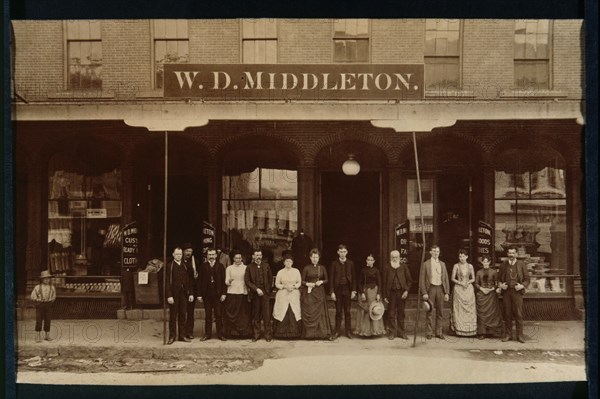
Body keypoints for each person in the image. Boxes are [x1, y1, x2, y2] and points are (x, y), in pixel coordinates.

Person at [498, 246, 530, 343]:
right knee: (507, 313)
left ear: (516, 254)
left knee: (518, 314)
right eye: (510, 253)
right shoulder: (503, 265)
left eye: (513, 253)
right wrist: (501, 285)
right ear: (507, 254)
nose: (511, 255)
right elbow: (498, 279)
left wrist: (522, 286)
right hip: (507, 292)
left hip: (517, 292)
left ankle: (520, 336)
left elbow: (527, 279)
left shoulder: (521, 264)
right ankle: (508, 335)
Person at [301, 248, 334, 340]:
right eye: (313, 257)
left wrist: (322, 282)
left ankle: (322, 333)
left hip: (319, 292)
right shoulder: (306, 268)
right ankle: (310, 334)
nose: (315, 259)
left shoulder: (322, 268)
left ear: (319, 258)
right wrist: (307, 283)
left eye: (316, 257)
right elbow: (302, 281)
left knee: (321, 312)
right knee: (311, 311)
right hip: (310, 293)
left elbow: (327, 280)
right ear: (310, 258)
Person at [419, 244, 450, 340]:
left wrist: (447, 292)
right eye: (434, 251)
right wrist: (424, 292)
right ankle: (429, 332)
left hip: (440, 288)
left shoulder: (443, 264)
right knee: (429, 311)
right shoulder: (426, 264)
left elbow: (445, 279)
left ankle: (438, 332)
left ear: (439, 253)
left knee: (440, 312)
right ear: (430, 252)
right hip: (431, 289)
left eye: (437, 251)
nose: (436, 253)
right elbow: (422, 280)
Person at [196, 248, 227, 341]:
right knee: (208, 315)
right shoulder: (203, 266)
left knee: (218, 315)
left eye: (213, 255)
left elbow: (224, 281)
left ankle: (220, 334)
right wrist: (199, 295)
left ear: (216, 256)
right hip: (207, 295)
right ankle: (207, 334)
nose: (211, 257)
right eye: (209, 255)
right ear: (207, 256)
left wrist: (224, 294)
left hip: (218, 295)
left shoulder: (220, 266)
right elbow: (199, 282)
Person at [166, 247, 194, 344]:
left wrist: (191, 293)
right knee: (173, 316)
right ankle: (172, 336)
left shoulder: (185, 266)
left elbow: (190, 280)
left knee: (183, 315)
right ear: (173, 254)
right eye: (177, 254)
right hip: (173, 294)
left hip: (184, 294)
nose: (179, 256)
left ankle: (182, 335)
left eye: (180, 254)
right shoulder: (169, 266)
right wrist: (169, 295)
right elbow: (166, 282)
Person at [382, 250, 412, 340]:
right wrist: (384, 296)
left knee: (401, 313)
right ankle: (392, 332)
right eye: (393, 257)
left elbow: (409, 281)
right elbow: (384, 282)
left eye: (396, 257)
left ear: (399, 258)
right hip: (391, 293)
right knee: (391, 313)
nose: (395, 259)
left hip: (401, 293)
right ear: (391, 258)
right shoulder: (387, 267)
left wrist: (406, 291)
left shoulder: (404, 267)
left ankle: (401, 332)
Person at [245, 249, 273, 342]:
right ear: (253, 256)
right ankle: (256, 334)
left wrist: (267, 290)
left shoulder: (266, 265)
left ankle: (268, 335)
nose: (258, 257)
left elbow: (270, 279)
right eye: (256, 255)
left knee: (266, 315)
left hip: (265, 293)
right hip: (255, 294)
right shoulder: (249, 267)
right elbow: (247, 281)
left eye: (260, 255)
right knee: (256, 314)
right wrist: (256, 289)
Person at [354, 254, 386, 338]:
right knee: (365, 311)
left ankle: (375, 331)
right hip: (365, 292)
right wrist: (362, 293)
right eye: (368, 260)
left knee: (373, 310)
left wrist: (379, 294)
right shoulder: (363, 271)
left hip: (374, 292)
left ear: (374, 261)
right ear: (366, 261)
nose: (370, 261)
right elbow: (359, 283)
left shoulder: (376, 271)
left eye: (371, 260)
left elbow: (379, 283)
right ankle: (365, 331)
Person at [223, 250, 252, 338]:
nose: (238, 260)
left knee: (242, 314)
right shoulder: (229, 268)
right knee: (232, 313)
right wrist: (229, 281)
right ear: (233, 259)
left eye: (239, 258)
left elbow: (248, 280)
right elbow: (226, 281)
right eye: (236, 258)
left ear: (241, 259)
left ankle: (243, 333)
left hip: (242, 293)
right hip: (232, 292)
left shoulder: (246, 268)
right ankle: (231, 333)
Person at [329, 244, 357, 339]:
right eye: (340, 252)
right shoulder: (334, 264)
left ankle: (348, 331)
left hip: (347, 290)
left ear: (347, 252)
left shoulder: (351, 263)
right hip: (338, 290)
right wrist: (332, 292)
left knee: (348, 311)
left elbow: (354, 278)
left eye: (344, 252)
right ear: (338, 252)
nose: (342, 254)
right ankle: (337, 331)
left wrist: (353, 290)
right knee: (338, 311)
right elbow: (331, 278)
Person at [272, 253, 302, 339]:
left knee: (293, 310)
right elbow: (277, 284)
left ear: (292, 263)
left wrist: (294, 287)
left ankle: (294, 333)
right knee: (282, 310)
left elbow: (299, 282)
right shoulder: (280, 272)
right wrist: (284, 286)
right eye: (287, 261)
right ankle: (280, 333)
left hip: (293, 293)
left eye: (290, 261)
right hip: (283, 293)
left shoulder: (296, 271)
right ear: (284, 263)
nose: (288, 263)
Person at [474, 255, 504, 339]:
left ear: (489, 262)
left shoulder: (494, 272)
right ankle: (482, 333)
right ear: (482, 262)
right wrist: (482, 289)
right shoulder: (479, 272)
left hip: (491, 295)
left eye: (487, 261)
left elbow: (497, 283)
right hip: (482, 294)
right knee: (482, 314)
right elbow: (476, 283)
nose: (485, 263)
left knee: (492, 313)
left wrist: (491, 289)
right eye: (484, 261)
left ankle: (492, 332)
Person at [450, 249, 477, 337]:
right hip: (459, 289)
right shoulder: (456, 266)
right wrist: (460, 283)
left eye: (463, 256)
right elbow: (452, 278)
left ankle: (470, 330)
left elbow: (473, 278)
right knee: (459, 309)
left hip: (468, 288)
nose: (461, 258)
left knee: (470, 308)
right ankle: (459, 329)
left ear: (467, 257)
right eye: (460, 256)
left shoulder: (470, 266)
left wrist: (468, 282)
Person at [30, 270, 56, 343]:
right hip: (40, 305)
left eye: (48, 278)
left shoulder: (52, 287)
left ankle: (47, 335)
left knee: (48, 320)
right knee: (39, 320)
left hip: (48, 305)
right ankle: (37, 336)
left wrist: (49, 300)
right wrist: (38, 300)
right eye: (45, 278)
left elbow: (54, 297)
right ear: (41, 279)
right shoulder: (37, 287)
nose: (47, 280)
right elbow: (32, 296)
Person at [182, 242, 198, 339]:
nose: (188, 253)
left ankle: (190, 332)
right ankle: (182, 332)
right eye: (187, 251)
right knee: (182, 312)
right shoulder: (180, 261)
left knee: (190, 312)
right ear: (183, 251)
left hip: (192, 290)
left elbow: (197, 277)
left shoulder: (195, 261)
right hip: (182, 290)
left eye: (190, 251)